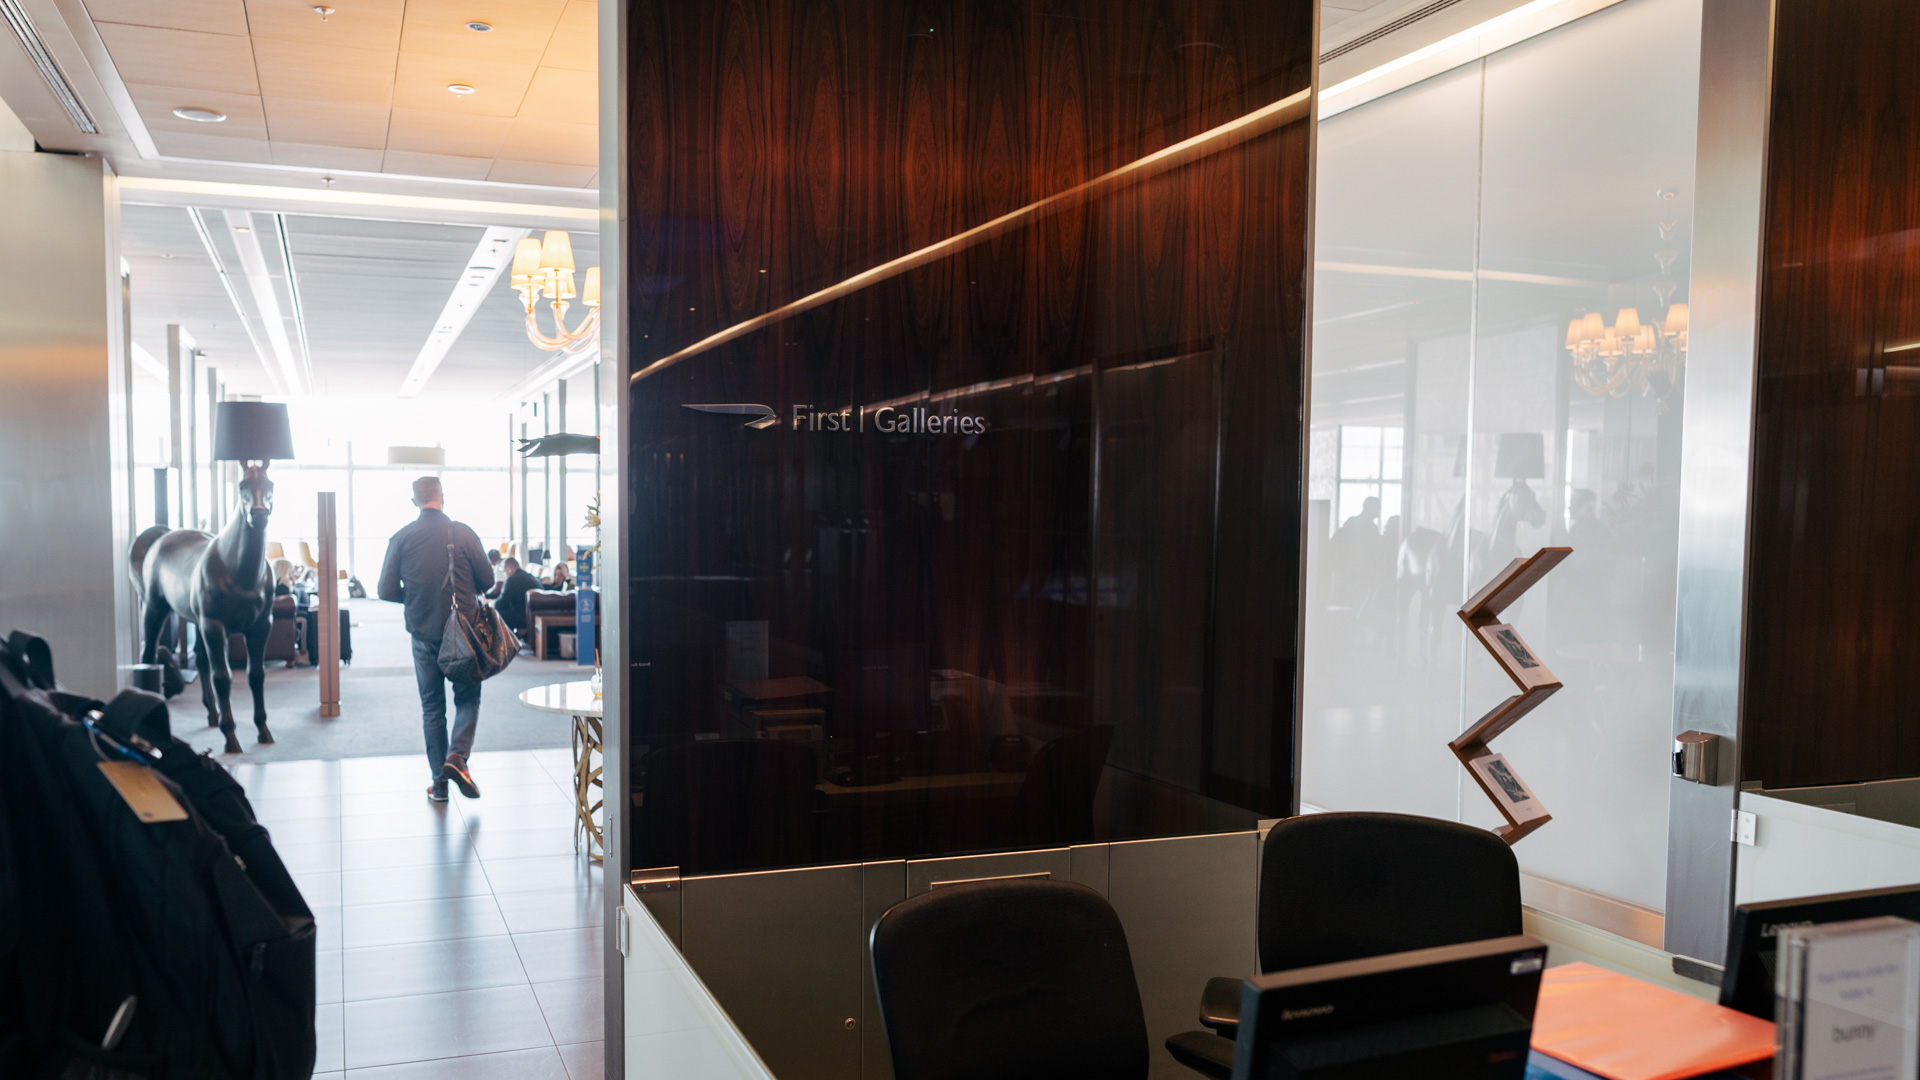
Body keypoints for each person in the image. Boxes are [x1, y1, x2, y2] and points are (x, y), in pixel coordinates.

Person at [377, 476, 493, 802]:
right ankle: (458, 757)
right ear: (443, 497)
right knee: (468, 698)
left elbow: (384, 590)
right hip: (464, 633)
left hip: (423, 634)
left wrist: (415, 597)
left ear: (414, 501)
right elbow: (488, 580)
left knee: (432, 707)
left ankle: (439, 784)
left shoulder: (400, 538)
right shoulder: (463, 532)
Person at [487, 556, 540, 643]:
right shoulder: (530, 577)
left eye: (504, 571)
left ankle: (506, 642)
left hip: (524, 617)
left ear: (510, 568)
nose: (504, 574)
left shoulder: (512, 579)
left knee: (496, 611)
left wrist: (492, 603)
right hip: (534, 616)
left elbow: (501, 603)